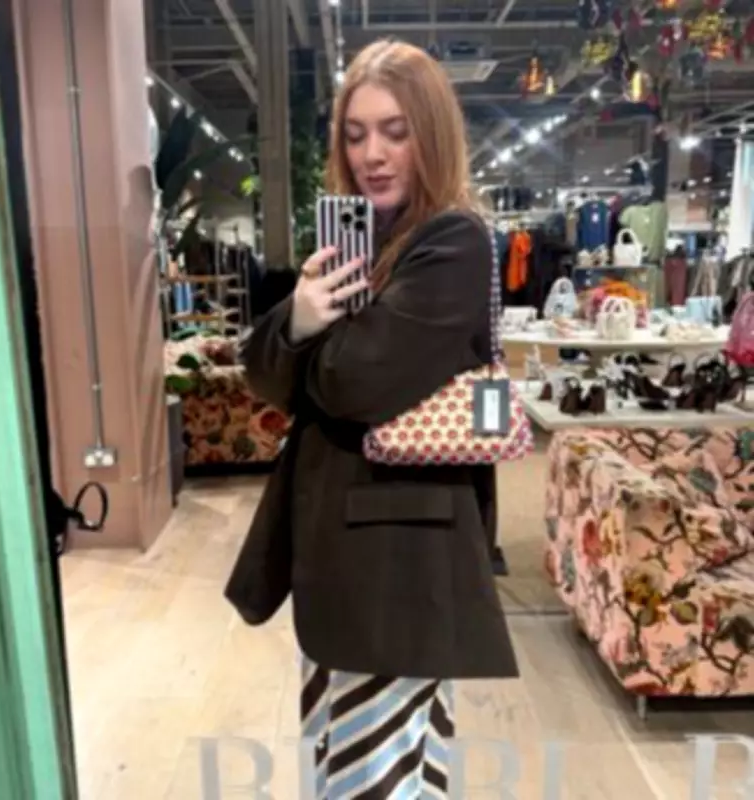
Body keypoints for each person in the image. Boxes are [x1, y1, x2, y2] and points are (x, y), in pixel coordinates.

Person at [228, 39, 518, 798]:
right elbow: (258, 369)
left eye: (394, 131)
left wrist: (308, 345)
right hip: (345, 556)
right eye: (355, 135)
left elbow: (353, 384)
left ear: (433, 133)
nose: (372, 155)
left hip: (398, 563)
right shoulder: (361, 243)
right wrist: (301, 316)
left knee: (375, 776)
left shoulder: (452, 242)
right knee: (362, 768)